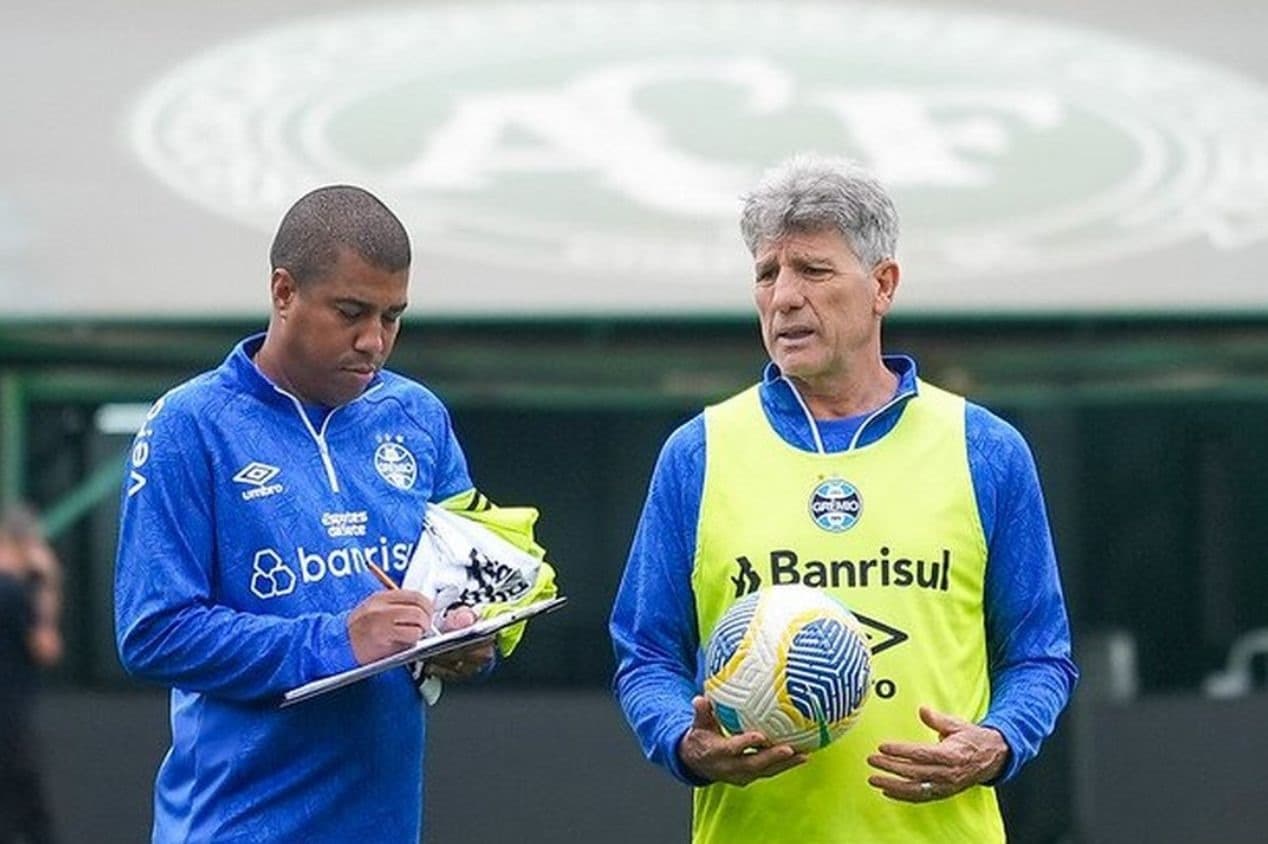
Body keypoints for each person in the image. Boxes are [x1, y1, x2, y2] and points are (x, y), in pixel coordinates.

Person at [610, 155, 1078, 843]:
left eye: (813, 270)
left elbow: (1040, 655)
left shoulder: (985, 448)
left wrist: (1000, 739)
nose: (784, 297)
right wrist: (684, 739)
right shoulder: (698, 452)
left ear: (882, 285)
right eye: (767, 274)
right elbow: (646, 652)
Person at [114, 186, 542, 843]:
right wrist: (337, 641)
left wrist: (466, 644)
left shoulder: (418, 417)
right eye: (351, 312)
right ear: (284, 292)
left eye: (392, 317)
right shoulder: (190, 424)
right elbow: (153, 632)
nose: (374, 341)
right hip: (233, 825)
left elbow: (463, 586)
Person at [0, 504, 63, 844]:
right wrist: (49, 581)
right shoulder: (13, 592)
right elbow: (46, 647)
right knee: (32, 820)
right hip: (10, 728)